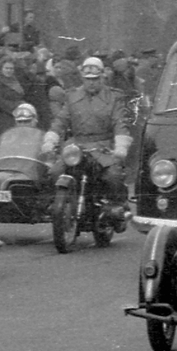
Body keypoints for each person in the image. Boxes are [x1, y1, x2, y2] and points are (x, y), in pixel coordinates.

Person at [45, 55, 131, 224]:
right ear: (82, 78)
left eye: (95, 79)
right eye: (87, 79)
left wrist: (121, 146)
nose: (91, 82)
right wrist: (51, 140)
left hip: (103, 146)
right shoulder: (72, 96)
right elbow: (61, 121)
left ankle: (117, 207)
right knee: (55, 171)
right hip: (76, 146)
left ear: (102, 78)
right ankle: (57, 205)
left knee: (113, 176)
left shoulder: (114, 97)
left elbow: (119, 123)